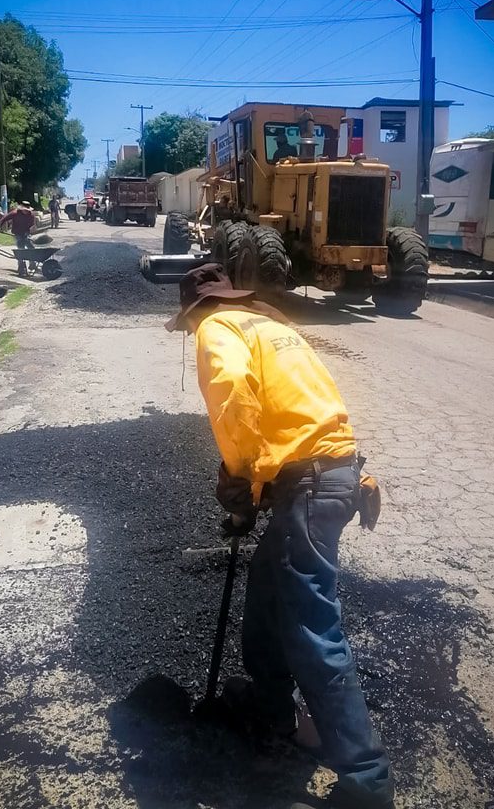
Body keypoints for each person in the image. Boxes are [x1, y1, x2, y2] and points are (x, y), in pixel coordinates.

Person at [166, 264, 394, 809]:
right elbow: (315, 411)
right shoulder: (274, 329)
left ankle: (367, 781)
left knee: (312, 628)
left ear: (199, 309)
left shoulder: (218, 329)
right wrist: (348, 475)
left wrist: (241, 476)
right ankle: (271, 707)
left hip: (309, 484)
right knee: (268, 596)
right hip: (329, 474)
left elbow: (232, 396)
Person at [0, 201, 36, 277]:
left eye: (27, 210)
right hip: (18, 233)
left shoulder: (31, 215)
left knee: (31, 248)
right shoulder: (15, 213)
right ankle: (21, 268)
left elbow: (32, 225)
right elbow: (4, 219)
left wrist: (30, 231)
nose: (26, 211)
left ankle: (32, 264)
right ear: (21, 209)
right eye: (24, 210)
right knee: (20, 250)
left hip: (26, 233)